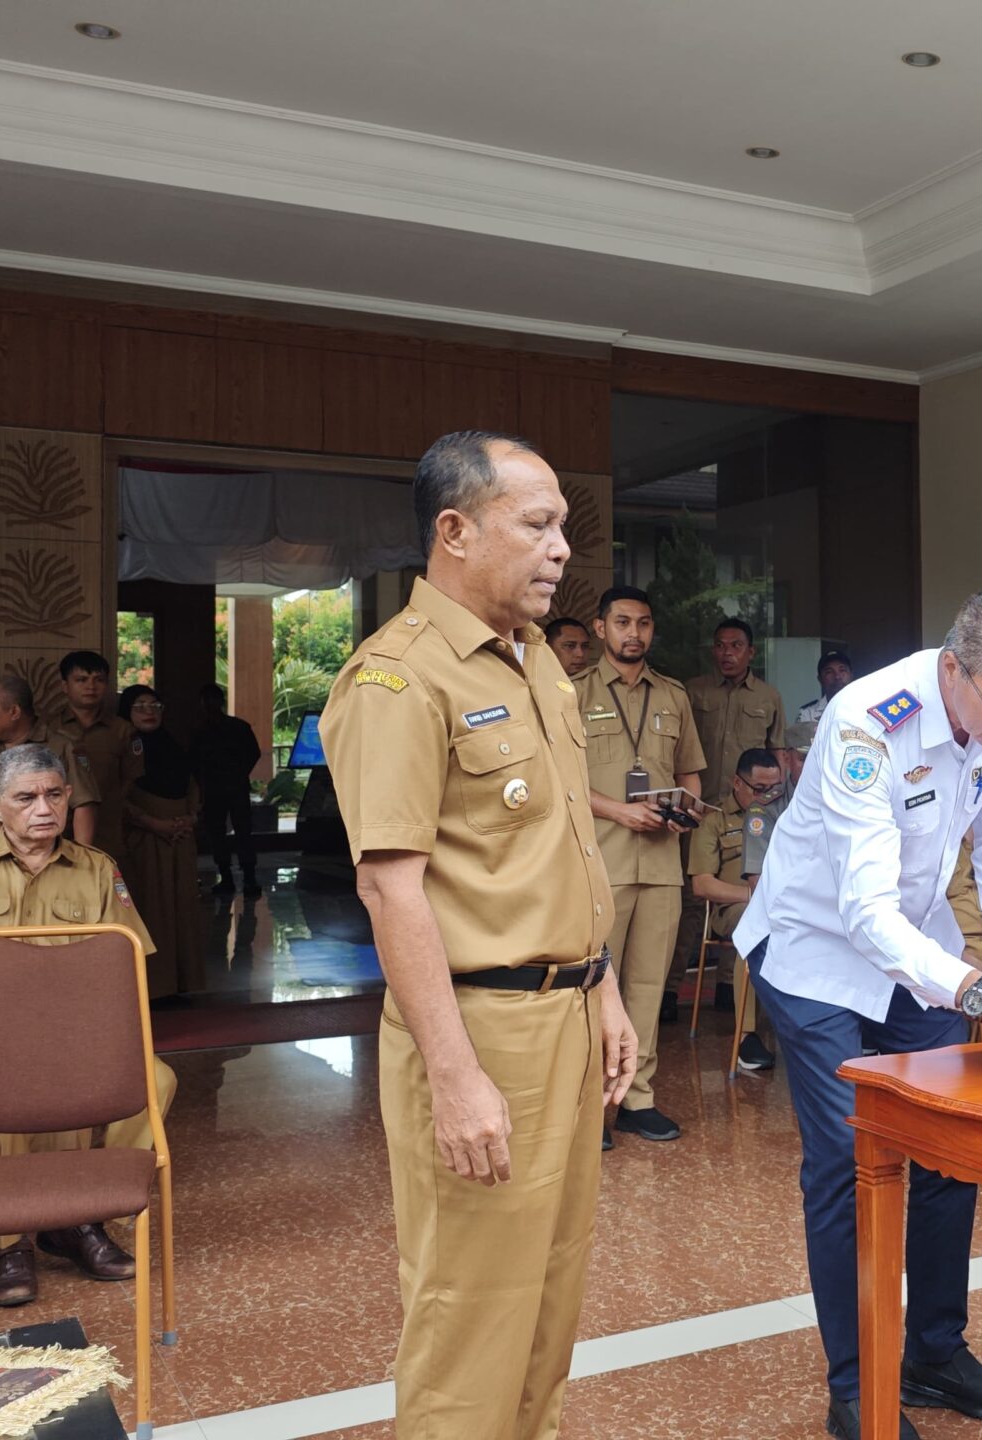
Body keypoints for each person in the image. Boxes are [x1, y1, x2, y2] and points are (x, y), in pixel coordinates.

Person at [319, 430, 635, 1439]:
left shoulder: (538, 663)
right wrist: (454, 1078)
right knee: (472, 1312)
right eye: (536, 525)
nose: (560, 550)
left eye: (563, 528)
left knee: (548, 1295)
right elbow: (391, 891)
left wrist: (603, 988)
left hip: (566, 1015)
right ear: (454, 532)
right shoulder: (398, 679)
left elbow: (563, 848)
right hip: (479, 1028)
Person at [741, 587, 982, 1440]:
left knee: (950, 1150)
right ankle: (858, 1385)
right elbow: (863, 911)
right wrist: (977, 993)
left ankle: (932, 1352)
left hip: (917, 952)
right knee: (846, 1161)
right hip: (816, 951)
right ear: (953, 669)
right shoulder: (867, 720)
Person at [0, 744, 179, 1310]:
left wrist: (80, 1026)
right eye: (25, 798)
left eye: (54, 795)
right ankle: (10, 1242)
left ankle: (81, 1217)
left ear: (68, 797)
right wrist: (2, 1020)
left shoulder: (97, 869)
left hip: (75, 1029)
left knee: (155, 1081)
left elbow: (122, 961)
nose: (43, 809)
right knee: (1, 1082)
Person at [576, 584, 706, 1143]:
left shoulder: (673, 695)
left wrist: (687, 811)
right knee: (591, 987)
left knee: (648, 987)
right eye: (623, 622)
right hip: (599, 864)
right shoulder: (571, 692)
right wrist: (621, 812)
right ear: (600, 628)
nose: (635, 633)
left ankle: (637, 1098)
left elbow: (690, 772)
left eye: (644, 623)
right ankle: (590, 1106)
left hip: (659, 866)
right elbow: (560, 781)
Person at [685, 747, 786, 1074]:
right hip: (733, 909)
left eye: (774, 788)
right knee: (753, 924)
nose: (767, 796)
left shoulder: (787, 815)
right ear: (737, 783)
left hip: (785, 908)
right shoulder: (714, 821)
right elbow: (702, 884)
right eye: (759, 789)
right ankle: (746, 1036)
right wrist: (753, 896)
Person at [118, 685, 204, 999]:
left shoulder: (173, 745)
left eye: (154, 705)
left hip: (179, 838)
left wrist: (190, 817)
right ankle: (154, 986)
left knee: (182, 907)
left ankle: (181, 982)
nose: (149, 711)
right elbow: (116, 796)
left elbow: (192, 785)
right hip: (144, 840)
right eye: (139, 706)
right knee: (153, 908)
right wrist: (154, 823)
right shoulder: (123, 747)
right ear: (126, 711)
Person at [0, 675, 99, 846]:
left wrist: (81, 856)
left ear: (14, 712)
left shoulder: (60, 746)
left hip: (49, 847)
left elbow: (84, 804)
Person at [689, 618, 786, 814]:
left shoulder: (768, 696)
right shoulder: (693, 691)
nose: (727, 653)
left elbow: (777, 751)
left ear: (751, 652)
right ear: (713, 651)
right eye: (720, 646)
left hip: (750, 806)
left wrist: (778, 802)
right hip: (700, 804)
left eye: (736, 645)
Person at [56, 650, 140, 864]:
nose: (91, 686)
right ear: (65, 685)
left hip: (109, 831)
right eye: (81, 680)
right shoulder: (49, 728)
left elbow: (131, 779)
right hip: (57, 831)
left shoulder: (122, 730)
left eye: (99, 680)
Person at [190, 685, 265, 898]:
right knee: (239, 833)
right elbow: (253, 753)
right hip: (231, 787)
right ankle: (246, 879)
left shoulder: (201, 731)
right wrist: (240, 772)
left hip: (218, 788)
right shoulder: (235, 727)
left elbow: (194, 761)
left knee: (222, 834)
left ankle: (232, 878)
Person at [787, 649, 858, 758]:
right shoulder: (807, 714)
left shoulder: (866, 710)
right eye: (829, 672)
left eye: (842, 670)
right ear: (820, 679)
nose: (837, 676)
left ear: (851, 675)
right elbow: (801, 755)